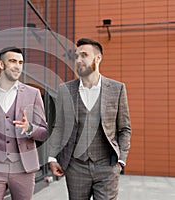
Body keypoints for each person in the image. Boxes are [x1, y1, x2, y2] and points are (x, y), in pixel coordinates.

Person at [48, 38, 132, 200]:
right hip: (76, 166)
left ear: (98, 58)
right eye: (76, 56)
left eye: (84, 55)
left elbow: (124, 128)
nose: (78, 60)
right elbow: (59, 127)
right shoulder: (65, 89)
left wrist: (121, 159)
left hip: (107, 165)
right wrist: (52, 157)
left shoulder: (117, 89)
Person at [0, 46, 48, 200]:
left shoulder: (33, 94)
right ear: (1, 64)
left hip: (23, 168)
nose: (17, 66)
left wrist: (30, 128)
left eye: (20, 62)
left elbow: (44, 132)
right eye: (12, 61)